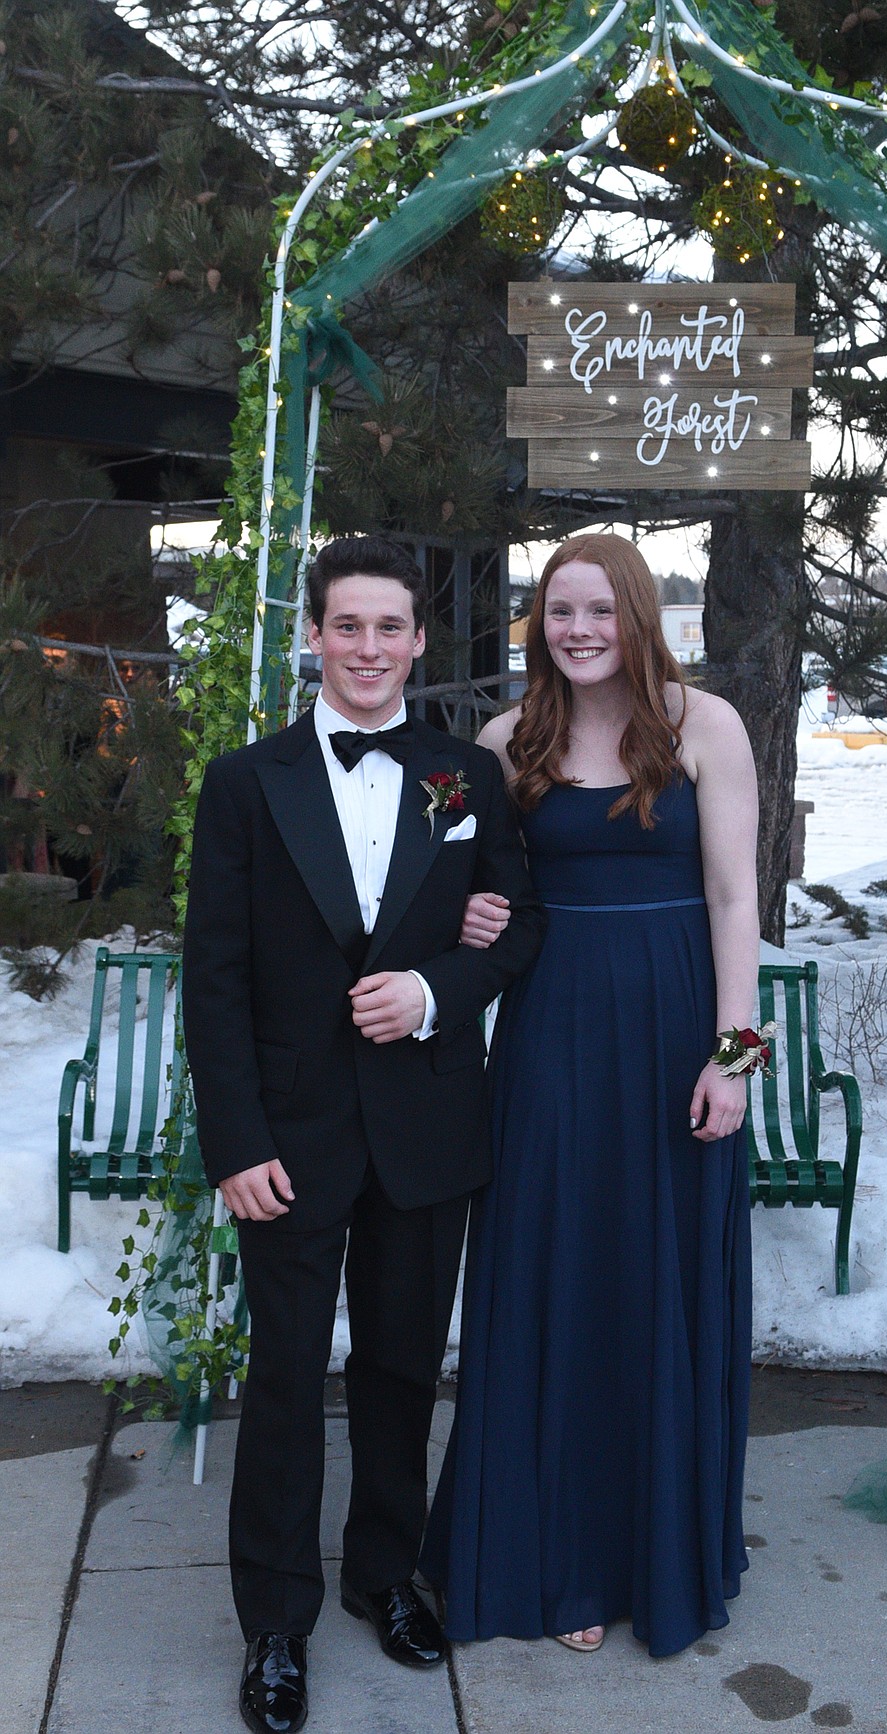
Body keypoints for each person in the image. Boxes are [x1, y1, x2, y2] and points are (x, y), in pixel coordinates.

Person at [182, 535, 546, 1734]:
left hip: (428, 1127)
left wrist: (441, 988)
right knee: (285, 1379)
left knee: (399, 1368)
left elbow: (517, 924)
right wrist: (235, 1143)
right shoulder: (247, 782)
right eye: (349, 627)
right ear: (315, 633)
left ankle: (382, 1578)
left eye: (391, 628)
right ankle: (276, 1625)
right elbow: (216, 977)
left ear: (421, 641)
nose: (371, 649)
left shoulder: (461, 777)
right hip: (288, 1136)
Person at [420, 532, 760, 1658]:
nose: (577, 630)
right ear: (538, 623)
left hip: (676, 1038)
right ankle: (557, 1556)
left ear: (636, 614)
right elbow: (464, 891)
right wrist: (470, 916)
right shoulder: (505, 739)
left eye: (598, 610)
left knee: (657, 1286)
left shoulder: (704, 724)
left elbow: (732, 898)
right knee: (556, 1281)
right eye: (558, 611)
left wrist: (736, 1055)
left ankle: (656, 1553)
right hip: (554, 1036)